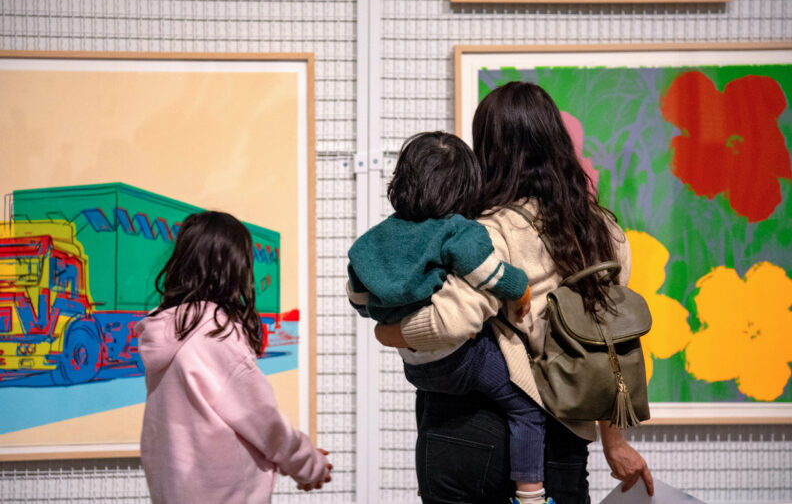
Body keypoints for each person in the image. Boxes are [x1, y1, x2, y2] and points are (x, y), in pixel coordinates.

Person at [375, 82, 654, 503]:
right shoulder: (606, 232)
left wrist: (387, 333)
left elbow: (447, 323)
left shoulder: (483, 230)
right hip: (559, 444)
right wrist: (613, 442)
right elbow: (609, 343)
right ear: (557, 143)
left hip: (467, 429)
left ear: (487, 149)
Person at [347, 131, 550, 504]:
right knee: (526, 406)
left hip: (416, 367)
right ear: (466, 188)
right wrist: (520, 288)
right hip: (463, 360)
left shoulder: (374, 240)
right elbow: (490, 275)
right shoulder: (459, 231)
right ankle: (531, 494)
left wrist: (384, 321)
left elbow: (358, 297)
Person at [138, 211, 332, 504]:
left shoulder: (166, 332)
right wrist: (309, 464)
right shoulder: (216, 336)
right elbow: (262, 420)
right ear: (234, 269)